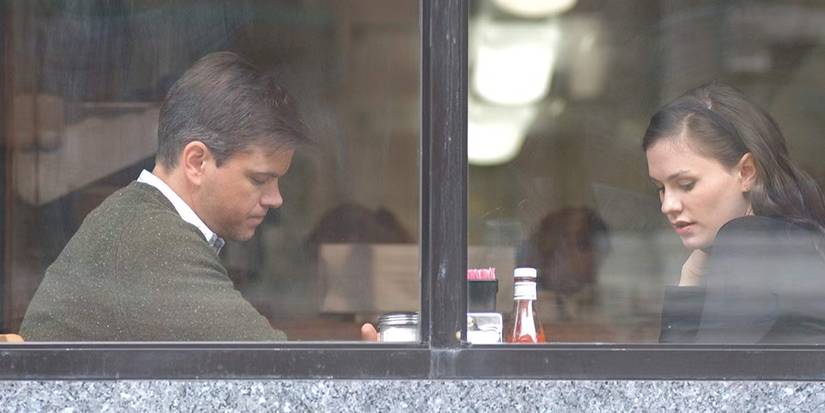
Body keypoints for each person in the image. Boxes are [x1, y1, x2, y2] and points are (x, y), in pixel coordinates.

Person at [19, 51, 310, 341]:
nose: (275, 198)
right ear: (197, 162)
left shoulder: (137, 220)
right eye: (259, 179)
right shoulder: (149, 238)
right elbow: (275, 369)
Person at [644, 82, 825, 343]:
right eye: (661, 188)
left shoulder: (751, 241)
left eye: (686, 184)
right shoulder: (787, 241)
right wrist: (692, 273)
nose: (667, 205)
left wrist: (690, 284)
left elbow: (696, 379)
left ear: (746, 172)